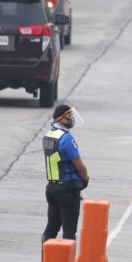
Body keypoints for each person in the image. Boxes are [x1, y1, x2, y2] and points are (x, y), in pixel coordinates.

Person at [41, 104, 90, 248]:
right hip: (67, 190)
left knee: (51, 229)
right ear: (61, 118)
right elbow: (79, 165)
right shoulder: (67, 139)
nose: (72, 118)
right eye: (69, 115)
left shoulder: (49, 135)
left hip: (52, 188)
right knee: (69, 232)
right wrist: (85, 179)